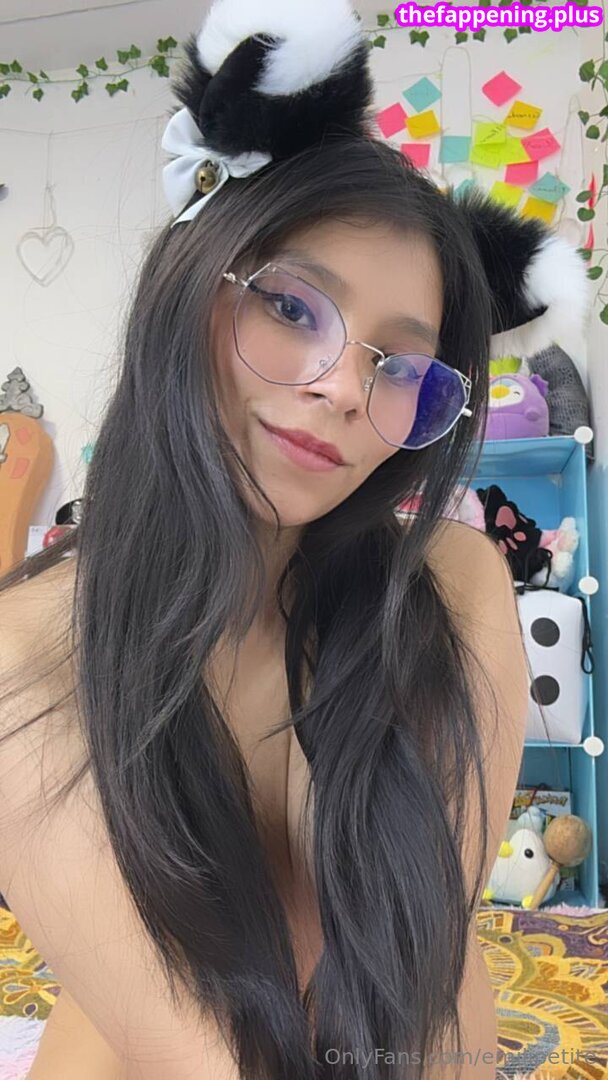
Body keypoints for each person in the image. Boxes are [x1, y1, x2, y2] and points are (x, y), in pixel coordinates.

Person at [0, 1, 590, 1077]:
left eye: (400, 367)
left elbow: (425, 953)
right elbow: (196, 1053)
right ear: (194, 285)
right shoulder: (27, 657)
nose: (341, 390)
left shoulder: (449, 582)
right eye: (291, 307)